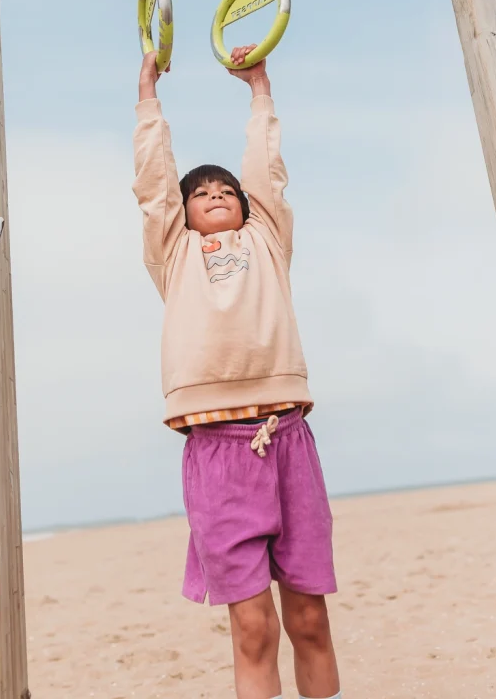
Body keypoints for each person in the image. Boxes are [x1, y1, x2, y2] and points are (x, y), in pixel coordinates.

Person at [133, 45, 341, 699]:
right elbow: (154, 186)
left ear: (247, 208)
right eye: (201, 194)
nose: (216, 196)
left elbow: (265, 172)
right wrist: (148, 99)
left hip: (287, 438)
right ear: (185, 213)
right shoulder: (174, 253)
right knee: (254, 628)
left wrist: (259, 91)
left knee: (309, 619)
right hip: (217, 449)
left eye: (226, 191)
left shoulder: (267, 239)